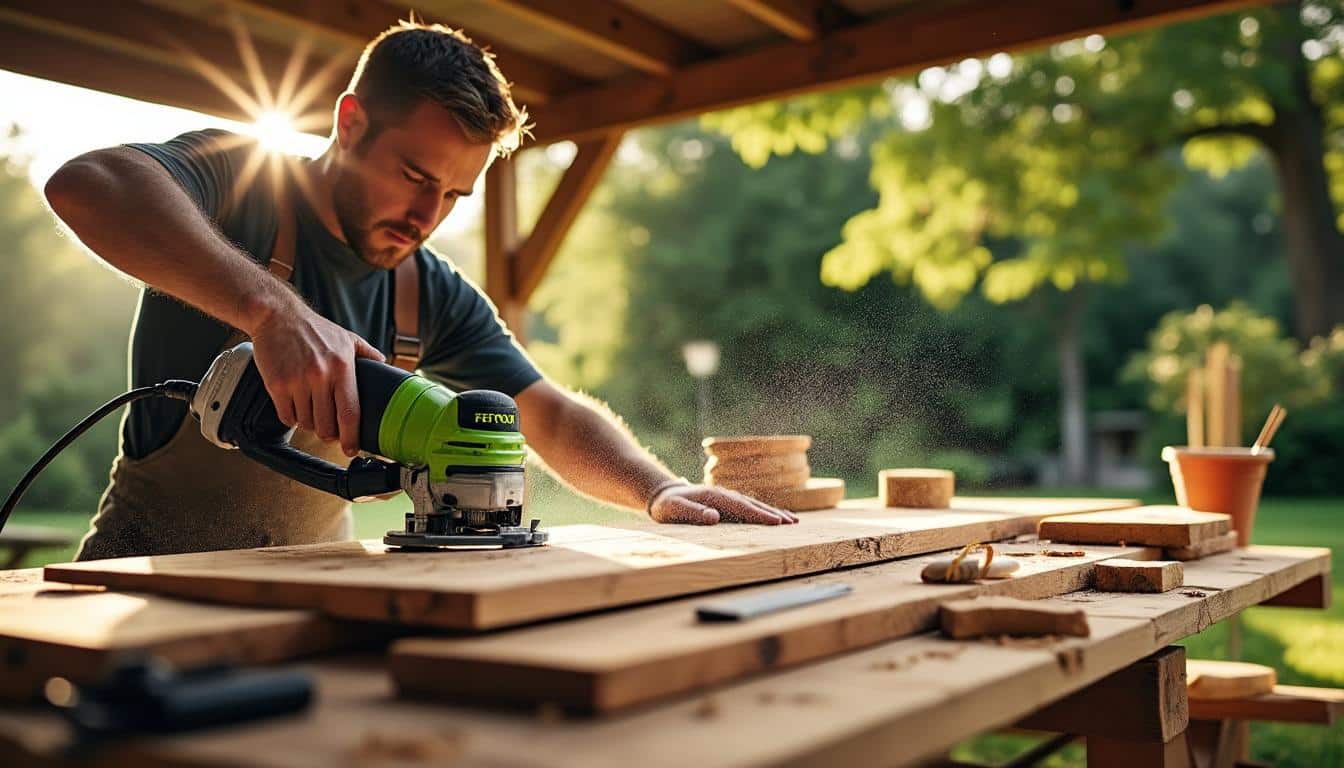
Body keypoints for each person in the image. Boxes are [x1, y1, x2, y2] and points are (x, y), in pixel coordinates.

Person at [44, 21, 797, 561]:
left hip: (302, 584)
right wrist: (270, 310)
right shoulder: (244, 180)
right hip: (140, 579)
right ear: (351, 122)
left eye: (453, 196)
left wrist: (659, 490)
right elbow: (89, 182)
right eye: (413, 177)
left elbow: (549, 416)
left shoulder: (427, 289)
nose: (426, 216)